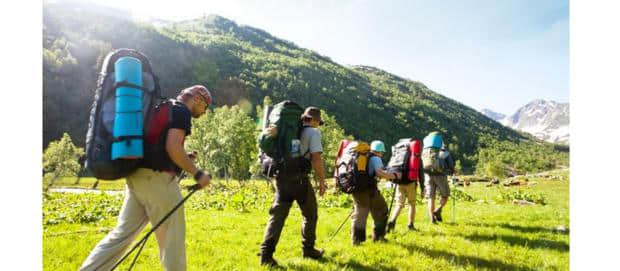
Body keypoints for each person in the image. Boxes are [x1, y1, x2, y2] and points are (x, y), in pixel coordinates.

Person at [79, 85, 213, 271]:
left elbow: (159, 145)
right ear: (198, 99)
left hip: (136, 176)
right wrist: (198, 173)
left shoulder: (162, 107)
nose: (204, 112)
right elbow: (173, 147)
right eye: (206, 107)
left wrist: (182, 159)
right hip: (156, 180)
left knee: (121, 236)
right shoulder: (182, 111)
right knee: (172, 239)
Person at [259, 106, 328, 267]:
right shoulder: (313, 132)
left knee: (277, 217)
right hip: (299, 181)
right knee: (310, 214)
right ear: (314, 120)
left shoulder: (291, 130)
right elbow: (316, 158)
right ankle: (308, 250)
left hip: (281, 178)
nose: (318, 125)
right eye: (318, 122)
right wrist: (322, 181)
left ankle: (266, 255)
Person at [351, 140, 402, 246]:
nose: (381, 154)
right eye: (382, 152)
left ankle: (356, 240)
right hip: (368, 190)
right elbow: (380, 173)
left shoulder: (362, 156)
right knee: (381, 209)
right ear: (380, 151)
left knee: (360, 213)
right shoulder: (376, 158)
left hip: (356, 188)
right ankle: (378, 236)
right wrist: (395, 176)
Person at [423, 133, 455, 224]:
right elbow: (451, 165)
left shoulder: (425, 151)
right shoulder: (444, 151)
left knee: (430, 197)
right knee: (445, 195)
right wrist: (452, 171)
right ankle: (438, 209)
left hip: (428, 175)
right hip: (440, 175)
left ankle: (432, 219)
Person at [387, 155, 424, 232]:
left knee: (399, 204)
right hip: (411, 182)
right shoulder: (416, 156)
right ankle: (410, 225)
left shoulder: (400, 155)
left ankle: (392, 221)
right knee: (412, 204)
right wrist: (422, 187)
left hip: (399, 182)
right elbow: (421, 173)